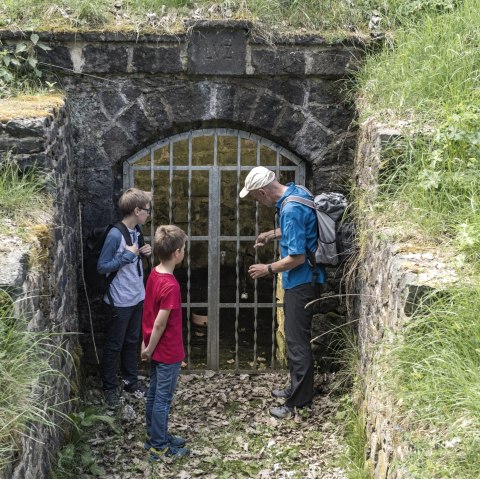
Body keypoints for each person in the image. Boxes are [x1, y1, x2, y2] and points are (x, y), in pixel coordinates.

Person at [239, 166, 325, 419]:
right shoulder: (296, 193)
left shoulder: (289, 209)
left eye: (256, 197)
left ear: (264, 191)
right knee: (295, 338)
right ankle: (298, 386)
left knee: (297, 342)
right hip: (307, 278)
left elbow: (296, 257)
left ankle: (298, 403)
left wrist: (268, 268)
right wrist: (270, 234)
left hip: (301, 281)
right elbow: (302, 228)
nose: (258, 202)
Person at [97, 188, 152, 407]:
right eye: (147, 210)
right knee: (114, 345)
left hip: (137, 296)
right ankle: (109, 388)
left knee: (131, 341)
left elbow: (134, 256)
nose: (149, 214)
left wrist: (143, 252)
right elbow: (102, 267)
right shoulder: (115, 235)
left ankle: (130, 381)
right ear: (137, 210)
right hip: (119, 300)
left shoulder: (136, 230)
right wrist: (128, 256)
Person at [141, 225, 190, 460]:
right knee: (162, 399)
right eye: (185, 249)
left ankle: (154, 435)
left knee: (153, 393)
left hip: (153, 346)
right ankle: (159, 445)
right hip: (167, 350)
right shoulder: (171, 286)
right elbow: (160, 322)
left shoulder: (154, 273)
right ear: (178, 252)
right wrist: (149, 347)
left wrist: (146, 344)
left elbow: (148, 311)